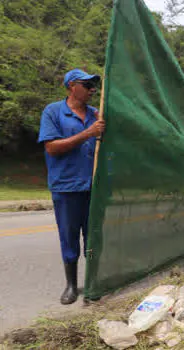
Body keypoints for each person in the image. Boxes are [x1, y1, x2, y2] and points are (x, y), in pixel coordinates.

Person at [38, 69, 105, 304]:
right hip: (66, 187)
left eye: (93, 86)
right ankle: (70, 285)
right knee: (69, 237)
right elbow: (52, 147)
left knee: (93, 237)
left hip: (93, 187)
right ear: (71, 86)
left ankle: (94, 283)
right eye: (87, 85)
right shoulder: (54, 112)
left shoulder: (96, 114)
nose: (92, 90)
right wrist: (88, 133)